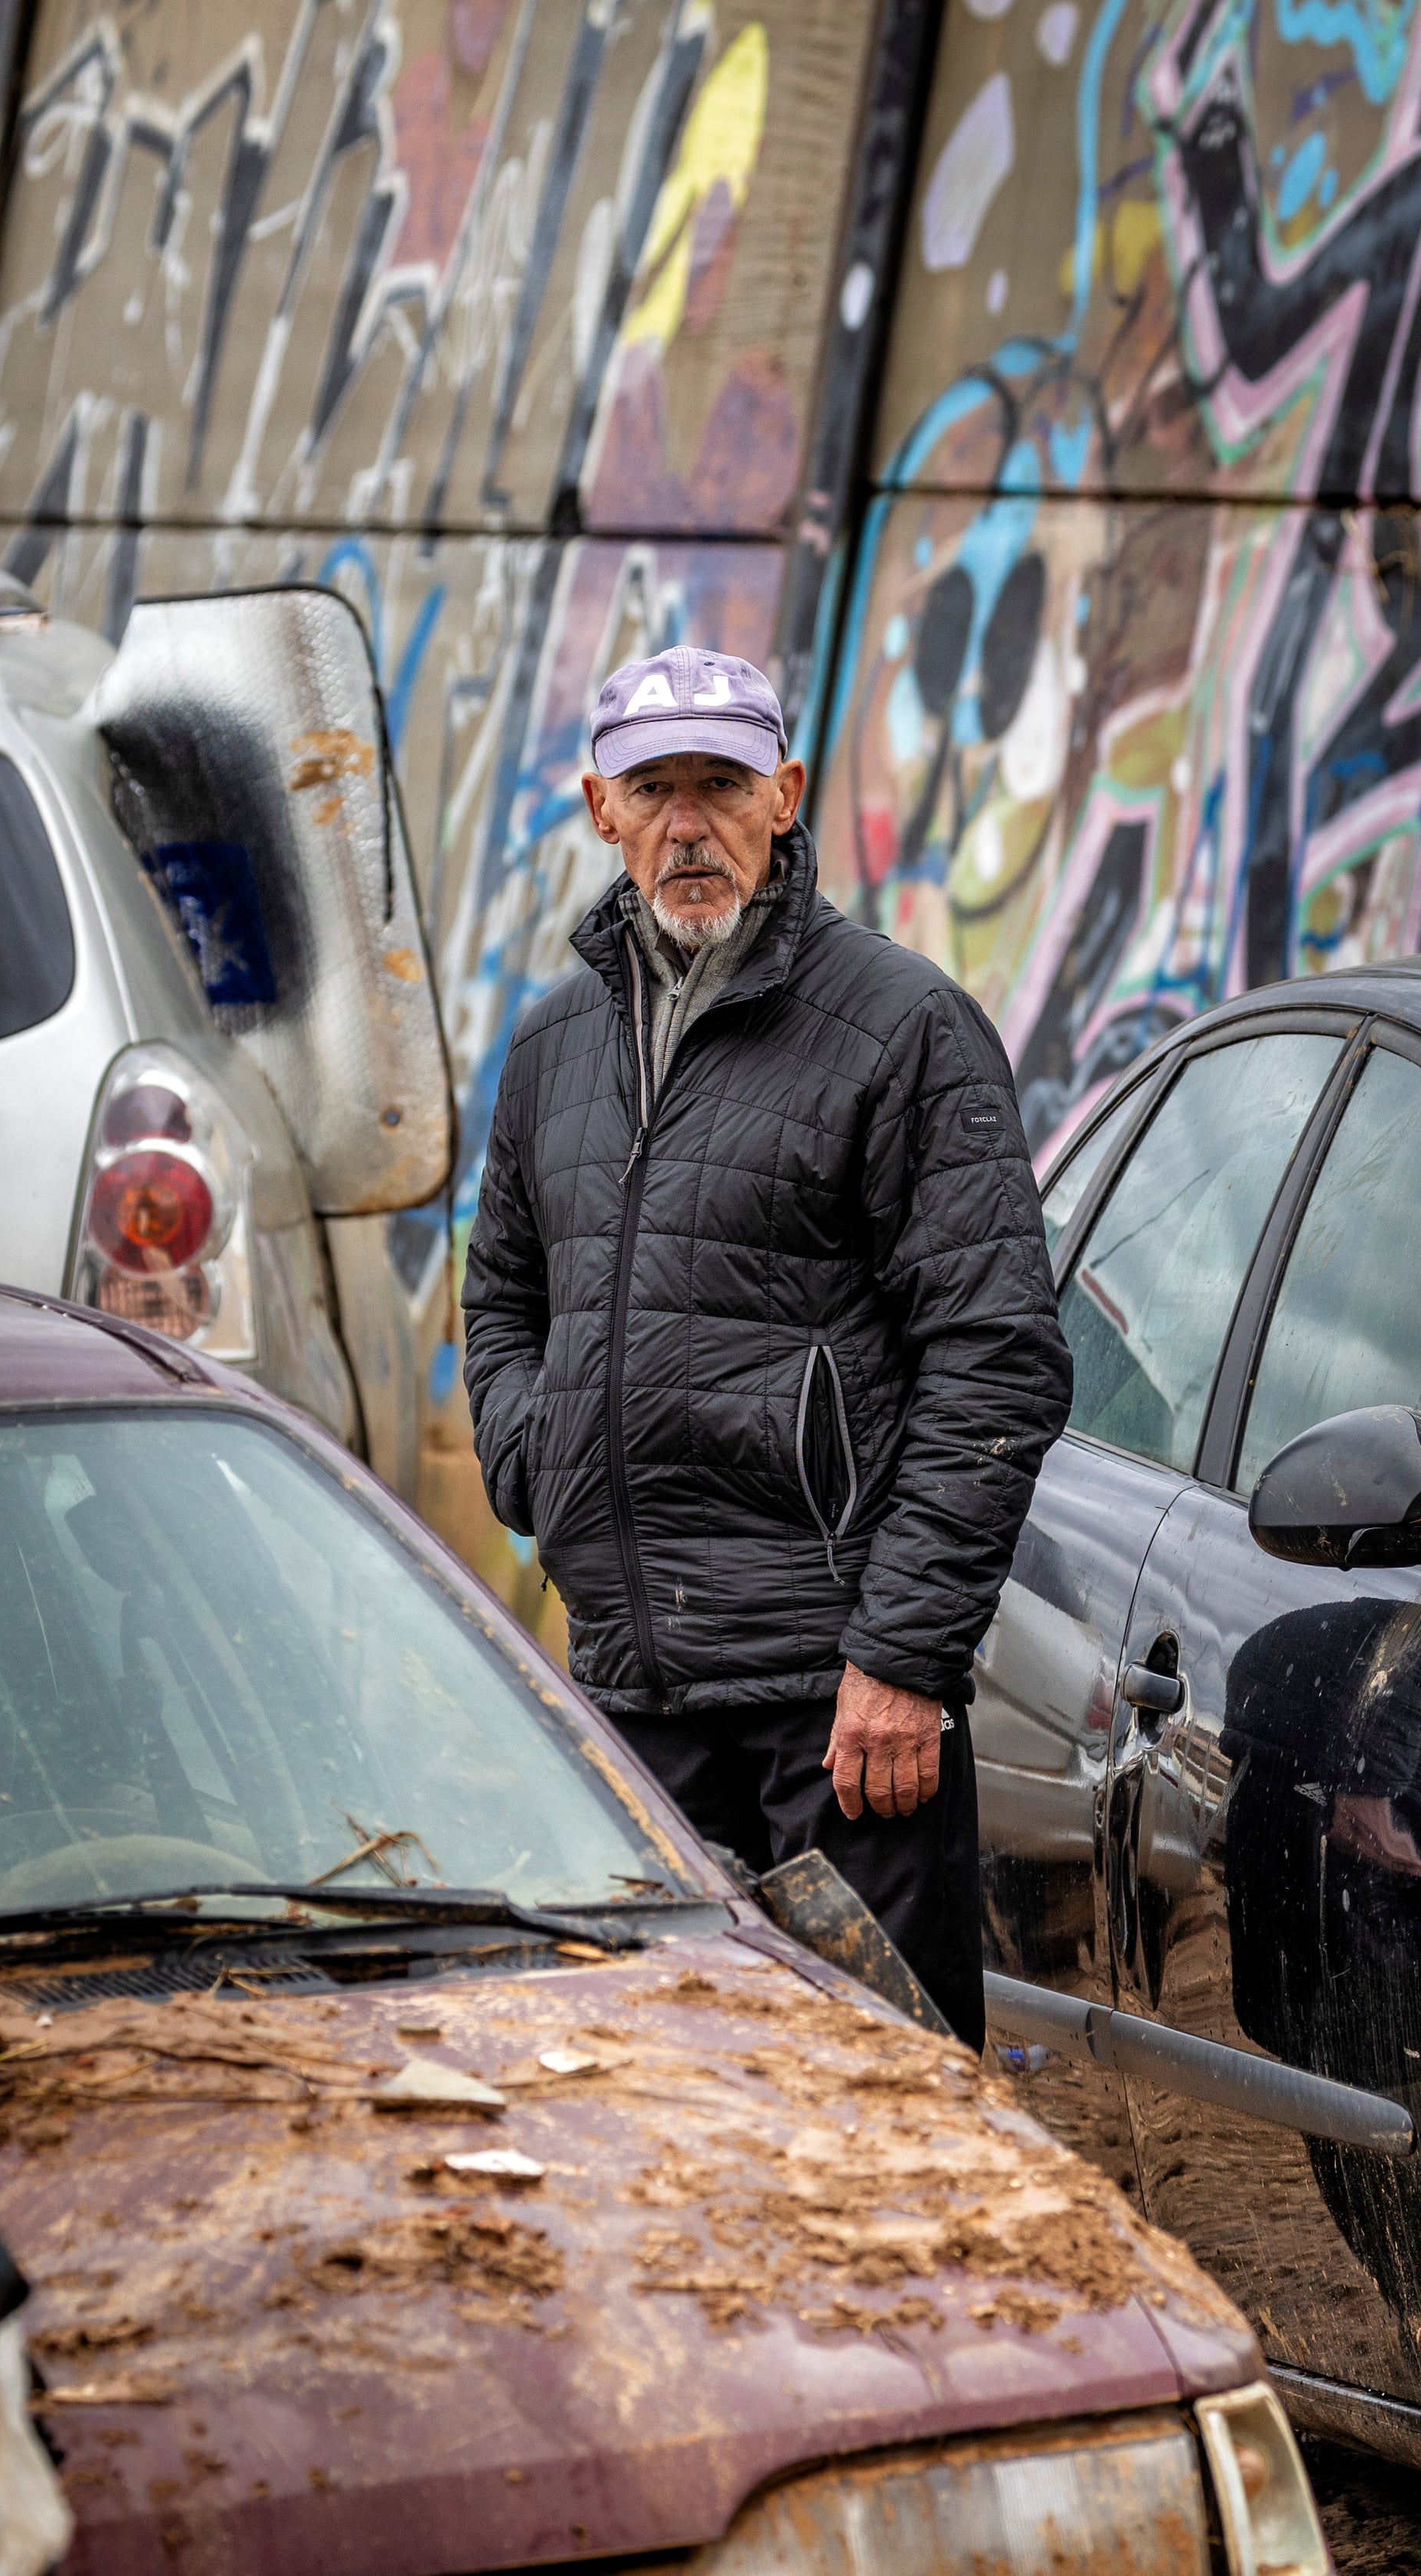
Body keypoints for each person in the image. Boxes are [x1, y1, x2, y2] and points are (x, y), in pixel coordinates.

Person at [458, 643, 1071, 2043]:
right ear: (601, 809)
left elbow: (998, 1354)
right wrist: (532, 1456)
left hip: (840, 1716)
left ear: (785, 794)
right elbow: (501, 1296)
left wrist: (905, 1659)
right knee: (681, 2111)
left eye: (722, 785)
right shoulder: (553, 1052)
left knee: (881, 2117)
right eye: (654, 788)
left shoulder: (902, 1026)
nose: (690, 823)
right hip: (632, 1700)